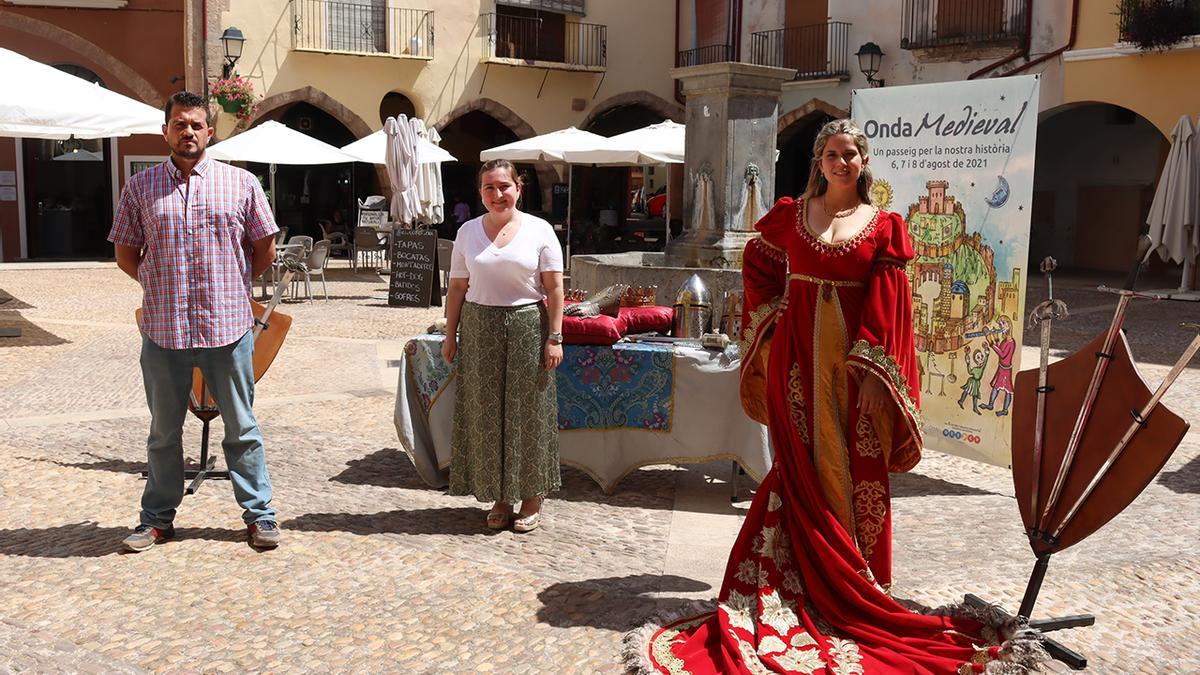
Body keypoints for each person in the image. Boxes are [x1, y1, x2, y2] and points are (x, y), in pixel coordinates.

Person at [628, 120, 1040, 672]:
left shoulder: (883, 226)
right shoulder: (791, 218)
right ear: (819, 162)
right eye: (832, 154)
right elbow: (759, 267)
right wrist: (772, 328)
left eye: (851, 155)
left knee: (855, 465)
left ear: (863, 163)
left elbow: (890, 305)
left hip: (853, 372)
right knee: (798, 468)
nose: (842, 163)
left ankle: (857, 581)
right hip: (795, 368)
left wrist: (874, 372)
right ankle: (800, 576)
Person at [109, 91, 282, 552]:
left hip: (227, 328)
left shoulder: (241, 184)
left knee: (242, 427)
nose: (188, 132)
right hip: (164, 332)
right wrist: (155, 281)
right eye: (179, 124)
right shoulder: (140, 188)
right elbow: (126, 252)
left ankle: (259, 516)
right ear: (166, 131)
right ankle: (157, 519)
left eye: (196, 125)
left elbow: (264, 247)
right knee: (164, 432)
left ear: (210, 132)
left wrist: (235, 282)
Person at [442, 159, 565, 532]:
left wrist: (555, 337)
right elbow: (457, 288)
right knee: (486, 412)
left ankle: (531, 496)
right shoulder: (466, 232)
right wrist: (451, 335)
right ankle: (499, 496)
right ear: (480, 193)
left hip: (528, 324)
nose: (498, 195)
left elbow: (555, 288)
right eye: (489, 189)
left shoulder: (540, 230)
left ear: (519, 188)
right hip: (480, 327)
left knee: (528, 413)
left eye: (504, 187)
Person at [979, 315, 1016, 417]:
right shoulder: (1005, 340)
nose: (1001, 326)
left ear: (1009, 325)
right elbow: (1000, 348)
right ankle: (990, 405)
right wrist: (995, 338)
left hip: (1006, 369)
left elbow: (1002, 354)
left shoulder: (1011, 342)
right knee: (996, 386)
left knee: (1008, 389)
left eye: (1003, 323)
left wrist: (991, 342)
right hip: (1001, 367)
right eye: (1000, 324)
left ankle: (1005, 410)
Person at [958, 344, 990, 414]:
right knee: (967, 391)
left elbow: (986, 359)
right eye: (978, 357)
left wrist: (986, 351)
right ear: (975, 360)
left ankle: (974, 407)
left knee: (975, 395)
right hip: (972, 381)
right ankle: (961, 401)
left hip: (977, 383)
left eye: (981, 356)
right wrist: (968, 363)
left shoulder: (982, 367)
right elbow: (969, 372)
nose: (981, 358)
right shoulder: (975, 369)